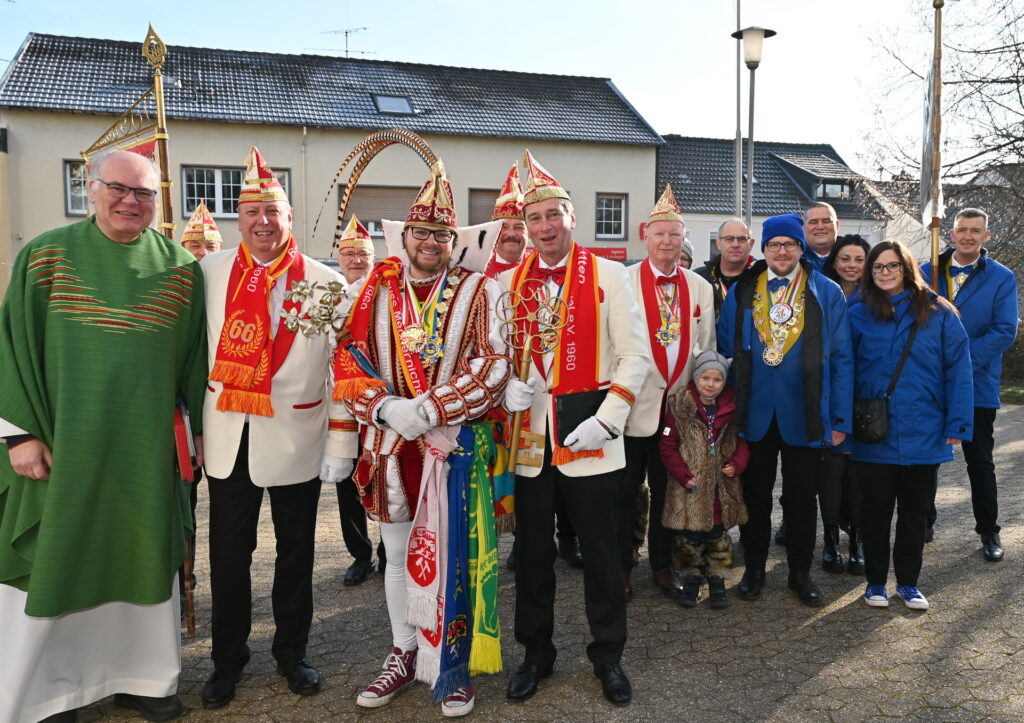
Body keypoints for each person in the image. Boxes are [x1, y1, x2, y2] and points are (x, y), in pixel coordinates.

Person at [0, 149, 207, 723]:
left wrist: (195, 442)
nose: (130, 201)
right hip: (65, 446)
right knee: (57, 559)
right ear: (89, 189)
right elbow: (12, 348)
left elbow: (194, 367)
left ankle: (143, 678)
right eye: (118, 188)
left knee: (142, 557)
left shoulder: (179, 269)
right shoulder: (45, 257)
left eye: (144, 194)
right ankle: (46, 691)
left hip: (144, 452)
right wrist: (18, 436)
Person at [333, 161, 510, 717]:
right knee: (399, 554)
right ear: (404, 236)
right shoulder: (373, 291)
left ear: (453, 241)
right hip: (390, 448)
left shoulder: (482, 290)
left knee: (453, 553)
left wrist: (430, 407)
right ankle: (404, 653)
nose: (429, 243)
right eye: (421, 233)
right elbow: (345, 359)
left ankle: (451, 665)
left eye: (440, 235)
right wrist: (385, 407)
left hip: (453, 447)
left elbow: (495, 364)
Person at [200, 147, 351, 709]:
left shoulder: (325, 283)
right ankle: (227, 660)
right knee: (228, 561)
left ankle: (293, 655)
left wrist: (341, 441)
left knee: (296, 557)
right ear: (238, 219)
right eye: (252, 212)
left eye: (274, 212)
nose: (263, 223)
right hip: (227, 440)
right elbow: (192, 358)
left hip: (296, 438)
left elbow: (345, 369)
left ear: (289, 218)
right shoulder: (207, 273)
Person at [500, 151, 649, 707]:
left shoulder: (610, 275)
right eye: (533, 220)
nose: (543, 229)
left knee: (602, 555)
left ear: (571, 218)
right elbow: (497, 353)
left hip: (591, 438)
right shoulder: (506, 283)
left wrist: (609, 420)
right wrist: (503, 387)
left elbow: (636, 359)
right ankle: (535, 654)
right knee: (534, 557)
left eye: (552, 217)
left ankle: (608, 655)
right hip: (530, 444)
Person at [717, 213, 853, 608]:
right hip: (753, 415)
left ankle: (799, 573)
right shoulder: (744, 291)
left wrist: (839, 420)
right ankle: (755, 569)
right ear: (763, 249)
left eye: (789, 245)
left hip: (806, 413)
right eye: (774, 244)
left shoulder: (826, 292)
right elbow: (726, 354)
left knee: (800, 499)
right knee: (755, 496)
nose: (781, 251)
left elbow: (842, 359)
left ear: (801, 248)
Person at [850, 240, 973, 610]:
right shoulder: (857, 313)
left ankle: (908, 583)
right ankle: (874, 582)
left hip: (926, 428)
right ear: (870, 274)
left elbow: (959, 370)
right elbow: (842, 371)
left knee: (915, 512)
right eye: (878, 267)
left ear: (906, 268)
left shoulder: (939, 313)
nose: (885, 273)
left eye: (892, 266)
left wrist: (958, 422)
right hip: (874, 430)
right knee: (874, 510)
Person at [485, 163, 582, 572]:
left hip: (563, 400)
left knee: (563, 470)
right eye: (504, 229)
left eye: (517, 229)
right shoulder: (484, 280)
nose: (511, 235)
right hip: (510, 407)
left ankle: (568, 536)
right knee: (521, 475)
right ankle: (524, 538)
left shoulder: (554, 271)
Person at [621, 185, 714, 601]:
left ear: (683, 240)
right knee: (624, 493)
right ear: (646, 236)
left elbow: (706, 347)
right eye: (660, 234)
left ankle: (661, 565)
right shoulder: (622, 281)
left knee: (668, 492)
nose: (667, 242)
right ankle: (622, 566)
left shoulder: (700, 287)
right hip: (631, 409)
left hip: (675, 412)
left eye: (675, 235)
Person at [920, 208, 1019, 561]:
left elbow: (1005, 329)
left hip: (977, 384)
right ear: (951, 232)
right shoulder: (926, 271)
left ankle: (989, 532)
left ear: (985, 236)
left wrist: (961, 361)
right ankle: (922, 522)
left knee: (980, 462)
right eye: (962, 230)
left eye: (975, 231)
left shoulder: (1002, 278)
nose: (968, 236)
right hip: (931, 385)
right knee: (925, 459)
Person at [660, 350, 749, 609]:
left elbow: (743, 442)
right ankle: (691, 580)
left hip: (721, 488)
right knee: (690, 538)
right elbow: (667, 444)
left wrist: (736, 464)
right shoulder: (679, 405)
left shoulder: (732, 408)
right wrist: (682, 474)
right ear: (697, 378)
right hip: (691, 489)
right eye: (706, 378)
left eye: (717, 379)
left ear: (724, 382)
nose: (711, 384)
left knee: (718, 536)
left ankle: (718, 580)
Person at [333, 216, 385, 586]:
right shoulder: (326, 294)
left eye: (362, 254)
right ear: (339, 258)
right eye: (348, 253)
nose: (355, 260)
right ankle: (359, 554)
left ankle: (389, 552)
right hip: (339, 408)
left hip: (379, 406)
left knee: (386, 480)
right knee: (346, 484)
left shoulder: (385, 294)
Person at [818, 234, 871, 573]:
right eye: (845, 258)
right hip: (830, 393)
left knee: (859, 477)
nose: (851, 265)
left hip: (865, 398)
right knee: (829, 475)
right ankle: (830, 540)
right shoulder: (821, 294)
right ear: (834, 261)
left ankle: (859, 539)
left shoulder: (879, 298)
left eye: (859, 259)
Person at [694, 218, 756, 320]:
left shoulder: (763, 277)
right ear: (718, 243)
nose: (735, 244)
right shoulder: (699, 279)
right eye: (729, 238)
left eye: (742, 239)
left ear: (751, 244)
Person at [802, 202, 840, 273]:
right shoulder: (793, 259)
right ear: (803, 228)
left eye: (826, 221)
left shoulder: (854, 257)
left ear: (837, 225)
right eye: (813, 222)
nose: (820, 227)